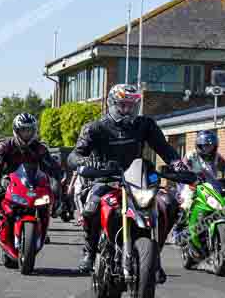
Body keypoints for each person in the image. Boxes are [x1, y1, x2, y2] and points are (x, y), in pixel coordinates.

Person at [67, 83, 188, 279]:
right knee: (91, 207)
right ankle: (89, 252)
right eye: (123, 105)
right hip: (106, 179)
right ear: (112, 104)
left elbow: (164, 148)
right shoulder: (95, 128)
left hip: (138, 181)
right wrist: (86, 162)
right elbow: (74, 156)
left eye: (132, 106)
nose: (128, 110)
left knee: (169, 203)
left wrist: (177, 163)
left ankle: (154, 255)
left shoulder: (145, 125)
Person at [0, 113, 61, 239]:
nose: (27, 134)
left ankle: (41, 228)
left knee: (47, 200)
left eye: (29, 130)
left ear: (34, 131)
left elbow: (53, 168)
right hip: (9, 180)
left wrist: (56, 187)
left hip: (33, 182)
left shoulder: (40, 148)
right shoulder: (6, 146)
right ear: (16, 131)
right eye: (23, 130)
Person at [171, 129, 225, 244]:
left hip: (210, 185)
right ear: (199, 146)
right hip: (191, 184)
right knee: (186, 202)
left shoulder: (217, 157)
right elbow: (182, 168)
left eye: (210, 146)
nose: (208, 149)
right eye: (205, 146)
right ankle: (177, 230)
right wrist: (185, 174)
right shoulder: (191, 155)